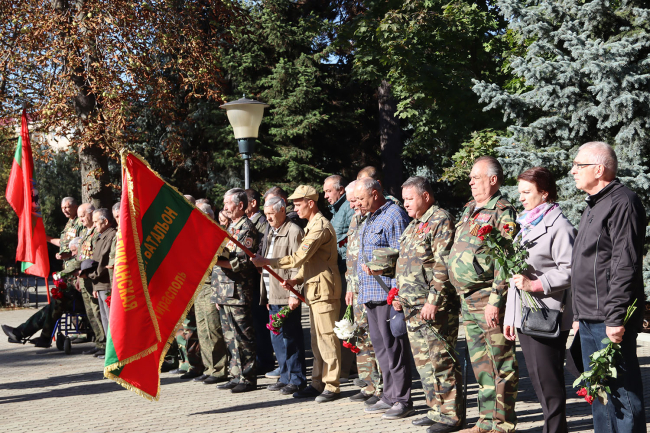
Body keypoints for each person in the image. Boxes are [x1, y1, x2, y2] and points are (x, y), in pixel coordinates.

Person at [370, 176, 463, 432]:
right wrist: (394, 287)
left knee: (441, 361)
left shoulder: (440, 220)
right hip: (412, 307)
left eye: (410, 199)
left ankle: (451, 416)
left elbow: (443, 265)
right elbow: (408, 264)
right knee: (424, 364)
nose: (406, 204)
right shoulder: (413, 225)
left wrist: (433, 301)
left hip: (433, 307)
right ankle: (435, 410)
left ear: (426, 196)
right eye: (404, 199)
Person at [570, 142, 647, 432]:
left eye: (579, 165)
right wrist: (578, 314)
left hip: (608, 318)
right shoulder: (594, 204)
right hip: (589, 316)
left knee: (622, 395)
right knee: (600, 393)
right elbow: (586, 264)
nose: (573, 171)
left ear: (599, 169)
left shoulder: (622, 202)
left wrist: (615, 317)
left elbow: (624, 264)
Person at [252, 185, 343, 403]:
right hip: (315, 290)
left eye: (298, 204)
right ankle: (317, 383)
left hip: (324, 290)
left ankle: (332, 385)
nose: (294, 208)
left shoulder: (320, 226)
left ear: (311, 203)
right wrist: (296, 280)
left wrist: (267, 262)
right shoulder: (311, 225)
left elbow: (298, 258)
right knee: (316, 341)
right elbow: (309, 263)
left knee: (327, 340)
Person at [448, 156, 519, 433]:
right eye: (471, 178)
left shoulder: (502, 212)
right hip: (468, 300)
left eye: (476, 178)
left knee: (501, 364)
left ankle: (502, 425)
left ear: (493, 180)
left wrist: (495, 301)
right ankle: (486, 421)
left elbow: (506, 260)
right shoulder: (470, 208)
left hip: (488, 299)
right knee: (481, 365)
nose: (471, 182)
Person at [503, 167, 576, 433]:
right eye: (519, 192)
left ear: (544, 193)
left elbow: (571, 269)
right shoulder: (527, 222)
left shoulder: (560, 226)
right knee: (537, 378)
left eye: (527, 192)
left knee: (549, 380)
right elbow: (516, 274)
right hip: (526, 314)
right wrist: (511, 317)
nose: (520, 197)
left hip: (547, 313)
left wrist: (536, 284)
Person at [356, 177, 413, 420]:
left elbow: (403, 256)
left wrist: (398, 292)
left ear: (375, 193)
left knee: (394, 349)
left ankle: (403, 399)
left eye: (361, 198)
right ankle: (389, 395)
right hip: (370, 293)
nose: (358, 203)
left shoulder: (394, 215)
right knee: (381, 350)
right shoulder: (370, 217)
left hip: (387, 294)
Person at [258, 196, 307, 395]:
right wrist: (267, 295)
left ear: (282, 210)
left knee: (291, 338)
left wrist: (295, 293)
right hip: (273, 294)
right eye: (266, 214)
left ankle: (297, 379)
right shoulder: (271, 230)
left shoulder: (293, 231)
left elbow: (298, 263)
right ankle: (285, 376)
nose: (268, 218)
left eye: (271, 214)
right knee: (278, 339)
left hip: (287, 294)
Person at [212, 188, 260, 393]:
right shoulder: (231, 227)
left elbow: (241, 262)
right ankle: (235, 374)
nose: (225, 207)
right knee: (230, 335)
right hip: (224, 291)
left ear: (240, 205)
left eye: (228, 203)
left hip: (237, 291)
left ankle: (248, 378)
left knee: (242, 336)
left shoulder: (246, 229)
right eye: (224, 203)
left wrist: (214, 260)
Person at [2, 238, 85, 347]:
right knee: (52, 307)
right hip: (75, 297)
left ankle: (27, 334)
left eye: (74, 251)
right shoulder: (77, 259)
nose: (72, 254)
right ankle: (34, 335)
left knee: (55, 305)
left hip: (82, 300)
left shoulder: (84, 259)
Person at [343, 180, 384, 405]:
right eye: (352, 201)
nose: (353, 205)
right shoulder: (356, 218)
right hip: (356, 287)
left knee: (376, 338)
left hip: (373, 286)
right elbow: (352, 256)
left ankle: (382, 387)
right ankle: (368, 384)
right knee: (361, 336)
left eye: (356, 200)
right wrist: (350, 285)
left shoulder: (377, 216)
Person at [189, 203, 229, 384]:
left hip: (212, 285)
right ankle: (209, 367)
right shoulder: (196, 235)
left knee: (214, 330)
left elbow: (222, 263)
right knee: (203, 330)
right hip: (199, 287)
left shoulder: (217, 234)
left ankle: (219, 369)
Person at [324, 174, 357, 381]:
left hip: (347, 270)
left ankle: (346, 369)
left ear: (341, 190)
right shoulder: (338, 209)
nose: (326, 196)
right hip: (341, 269)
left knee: (346, 319)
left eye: (329, 191)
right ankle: (350, 367)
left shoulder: (347, 208)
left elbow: (348, 238)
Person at [82, 208, 117, 359]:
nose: (94, 224)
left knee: (110, 319)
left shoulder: (111, 235)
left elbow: (103, 262)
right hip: (100, 284)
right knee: (104, 319)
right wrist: (95, 284)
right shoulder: (102, 236)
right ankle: (110, 350)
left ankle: (114, 352)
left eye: (96, 221)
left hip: (106, 283)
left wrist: (91, 276)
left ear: (106, 221)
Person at [75, 203, 106, 355]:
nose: (81, 219)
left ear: (91, 213)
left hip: (93, 277)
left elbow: (95, 257)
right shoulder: (85, 232)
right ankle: (99, 342)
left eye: (83, 216)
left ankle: (105, 344)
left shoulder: (97, 232)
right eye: (79, 217)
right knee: (91, 312)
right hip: (83, 278)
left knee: (98, 311)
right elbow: (81, 256)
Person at [48, 197, 83, 263]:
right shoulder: (69, 222)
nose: (64, 211)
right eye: (62, 208)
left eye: (66, 207)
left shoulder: (81, 222)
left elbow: (83, 245)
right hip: (68, 264)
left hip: (77, 263)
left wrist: (68, 255)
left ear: (75, 207)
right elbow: (63, 242)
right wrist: (46, 238)